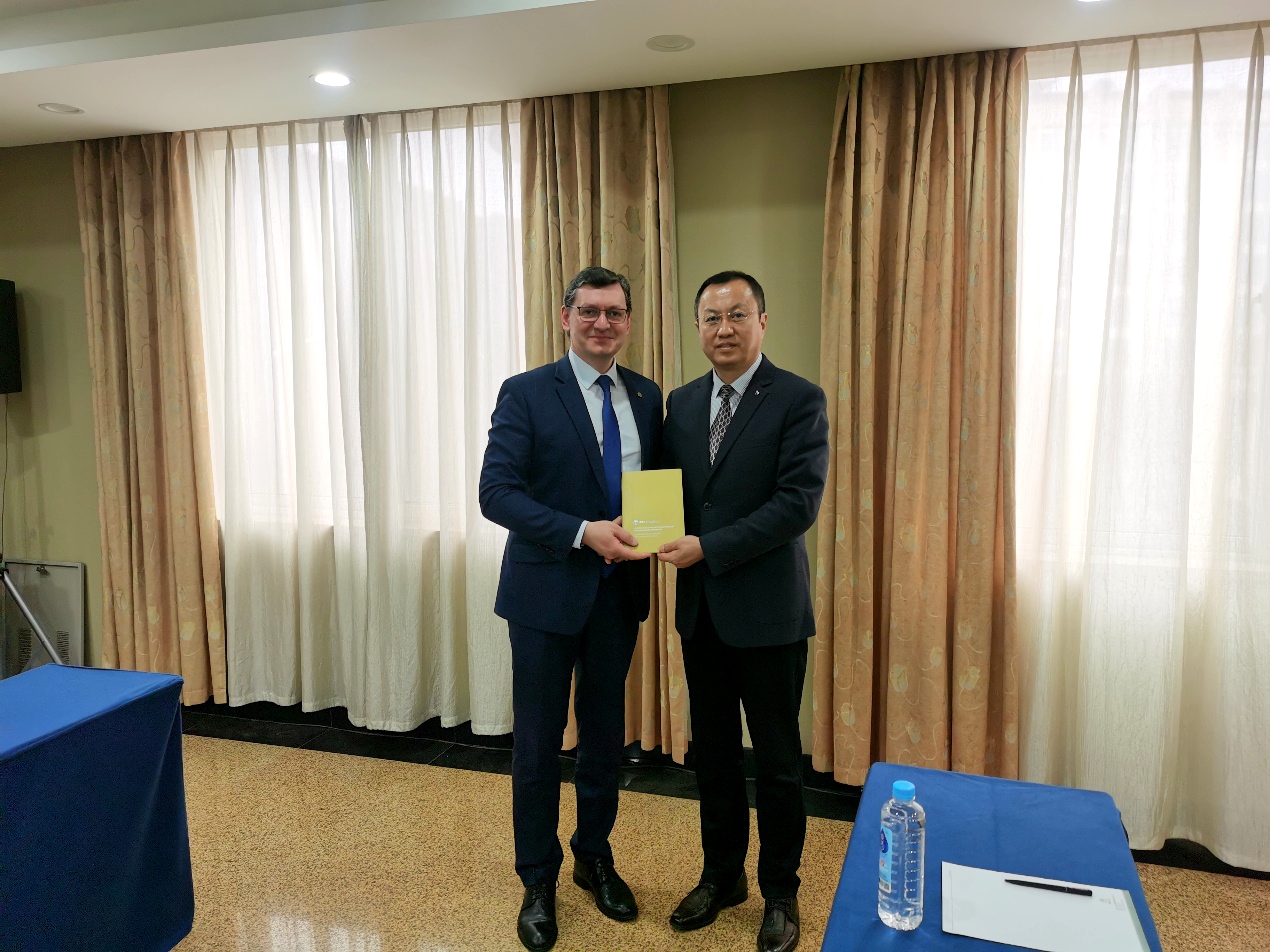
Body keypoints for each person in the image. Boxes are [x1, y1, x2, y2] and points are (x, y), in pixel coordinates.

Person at [478, 267, 663, 952]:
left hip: (619, 595)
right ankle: (538, 879)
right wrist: (583, 532)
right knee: (537, 742)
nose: (601, 323)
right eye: (589, 311)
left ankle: (594, 857)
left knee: (605, 737)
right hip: (544, 595)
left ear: (628, 321)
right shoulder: (526, 392)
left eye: (614, 312)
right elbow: (496, 494)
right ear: (565, 317)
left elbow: (652, 488)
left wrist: (658, 534)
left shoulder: (646, 395)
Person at [658, 271, 829, 952]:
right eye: (711, 317)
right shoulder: (681, 402)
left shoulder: (798, 399)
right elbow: (666, 493)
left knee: (779, 763)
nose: (723, 328)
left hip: (768, 615)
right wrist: (640, 531)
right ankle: (722, 875)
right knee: (715, 758)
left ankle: (780, 891)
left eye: (737, 314)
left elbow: (796, 505)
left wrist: (709, 547)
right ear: (698, 327)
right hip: (701, 613)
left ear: (762, 321)